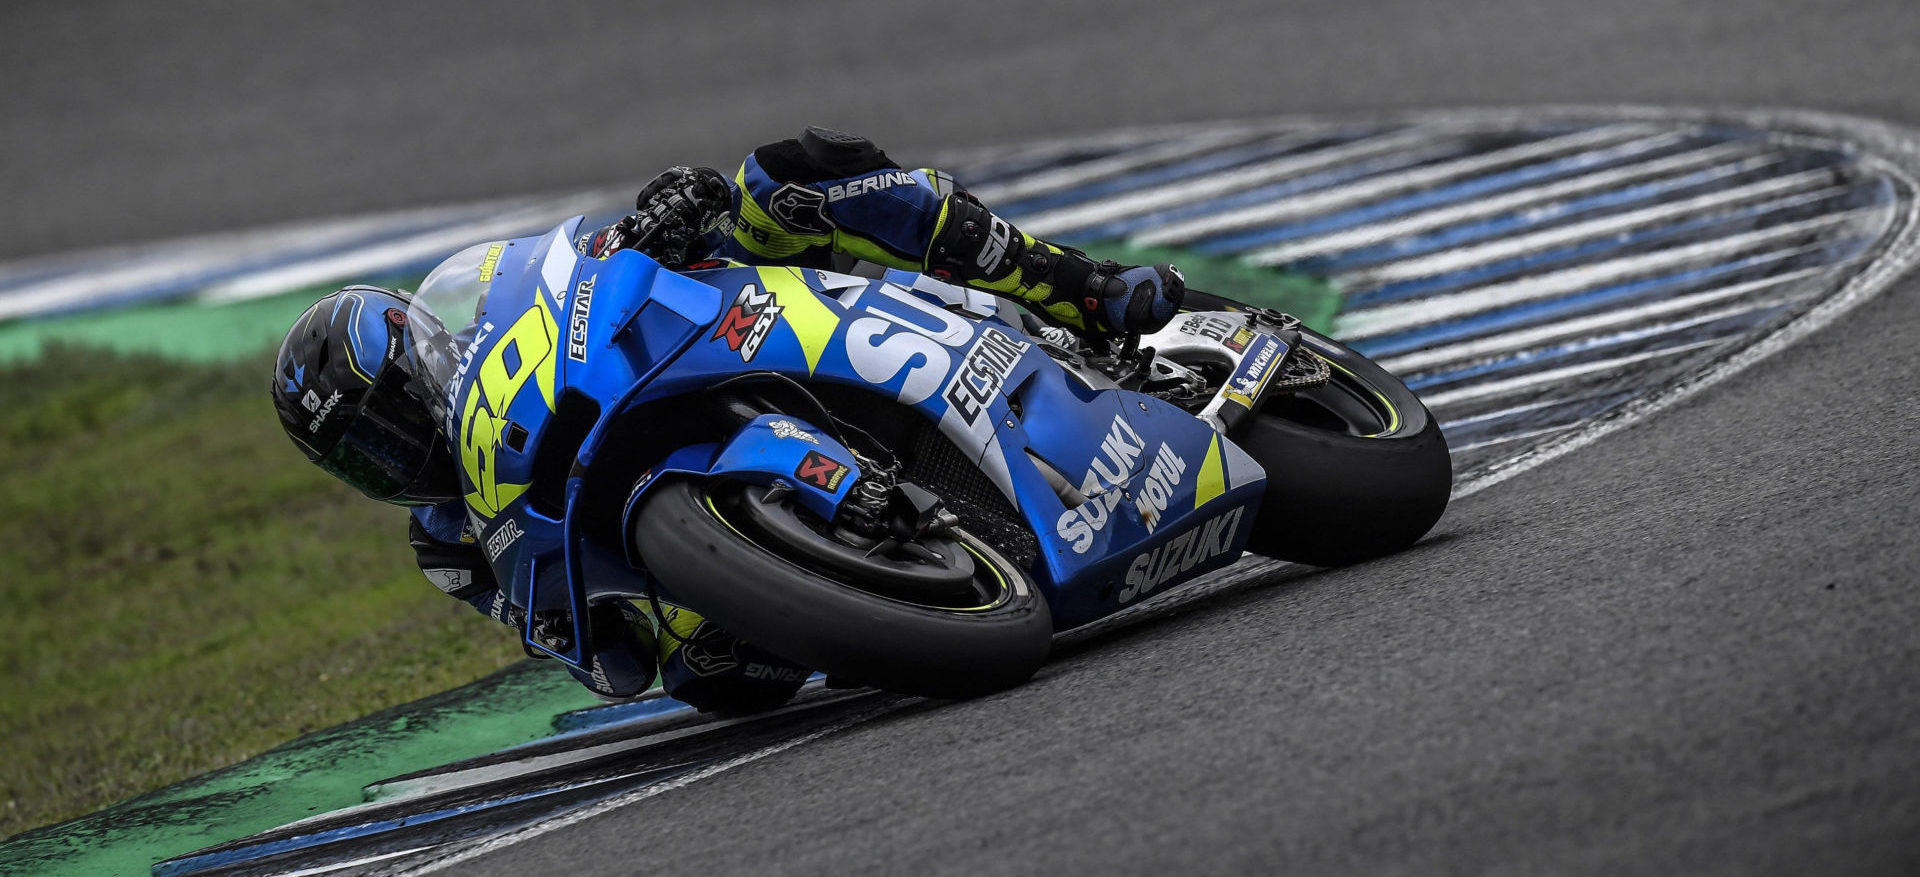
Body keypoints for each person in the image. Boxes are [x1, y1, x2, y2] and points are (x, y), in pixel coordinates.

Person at [270, 128, 1185, 712]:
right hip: (679, 553)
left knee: (788, 178)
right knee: (711, 679)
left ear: (424, 350)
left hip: (703, 331)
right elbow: (598, 659)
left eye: (389, 418)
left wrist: (664, 214)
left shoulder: (492, 317)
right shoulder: (447, 539)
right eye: (367, 457)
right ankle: (884, 574)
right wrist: (582, 629)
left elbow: (574, 263)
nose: (397, 451)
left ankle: (1084, 292)